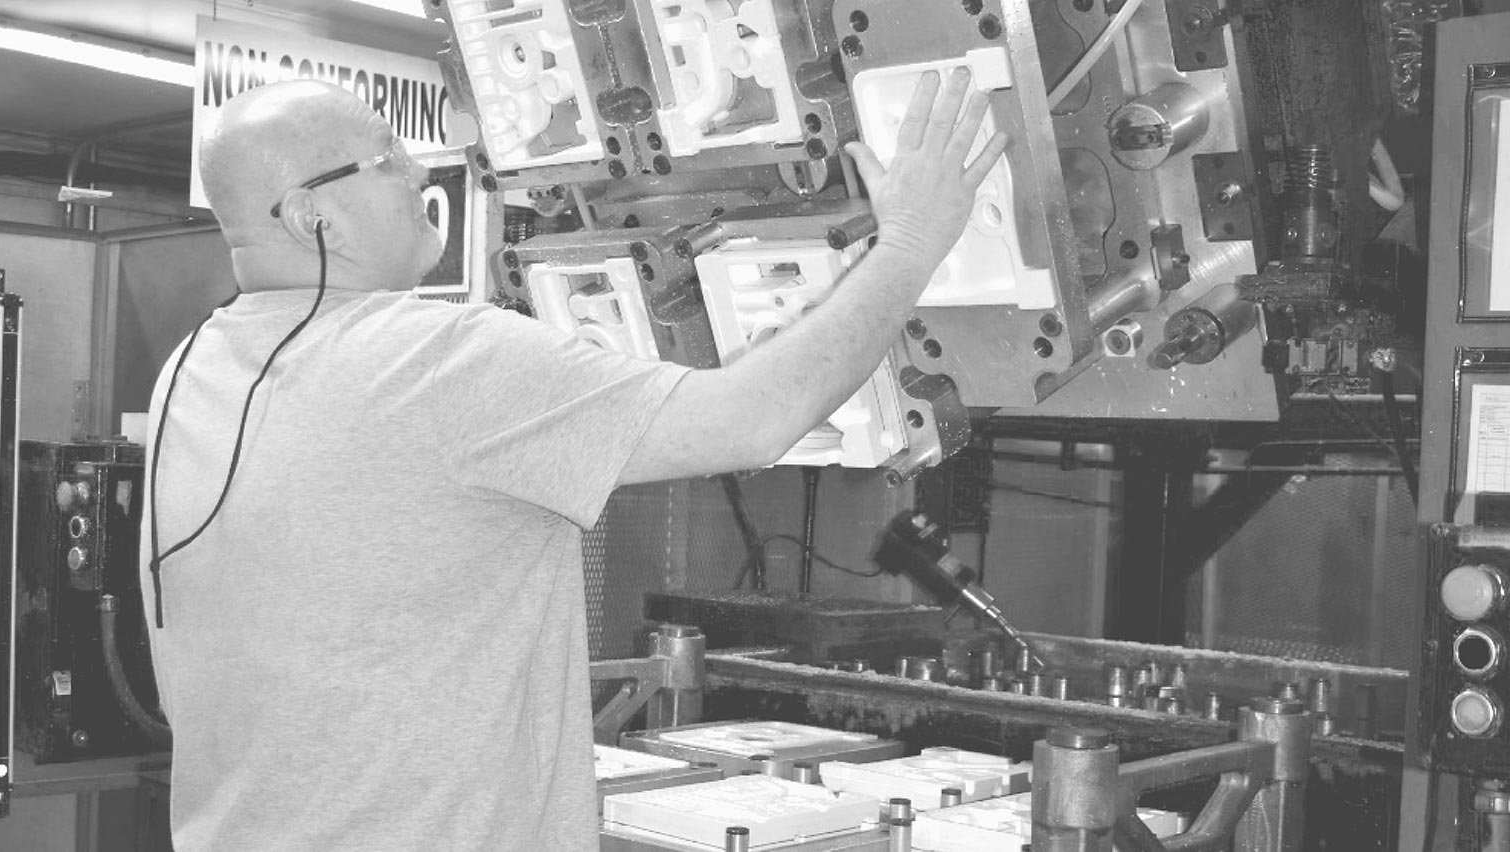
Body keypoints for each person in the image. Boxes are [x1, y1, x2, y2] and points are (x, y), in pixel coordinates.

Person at [139, 70, 1007, 852]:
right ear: (309, 216)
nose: (419, 177)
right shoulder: (435, 360)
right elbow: (753, 422)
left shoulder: (193, 368)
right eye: (387, 160)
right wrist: (910, 246)